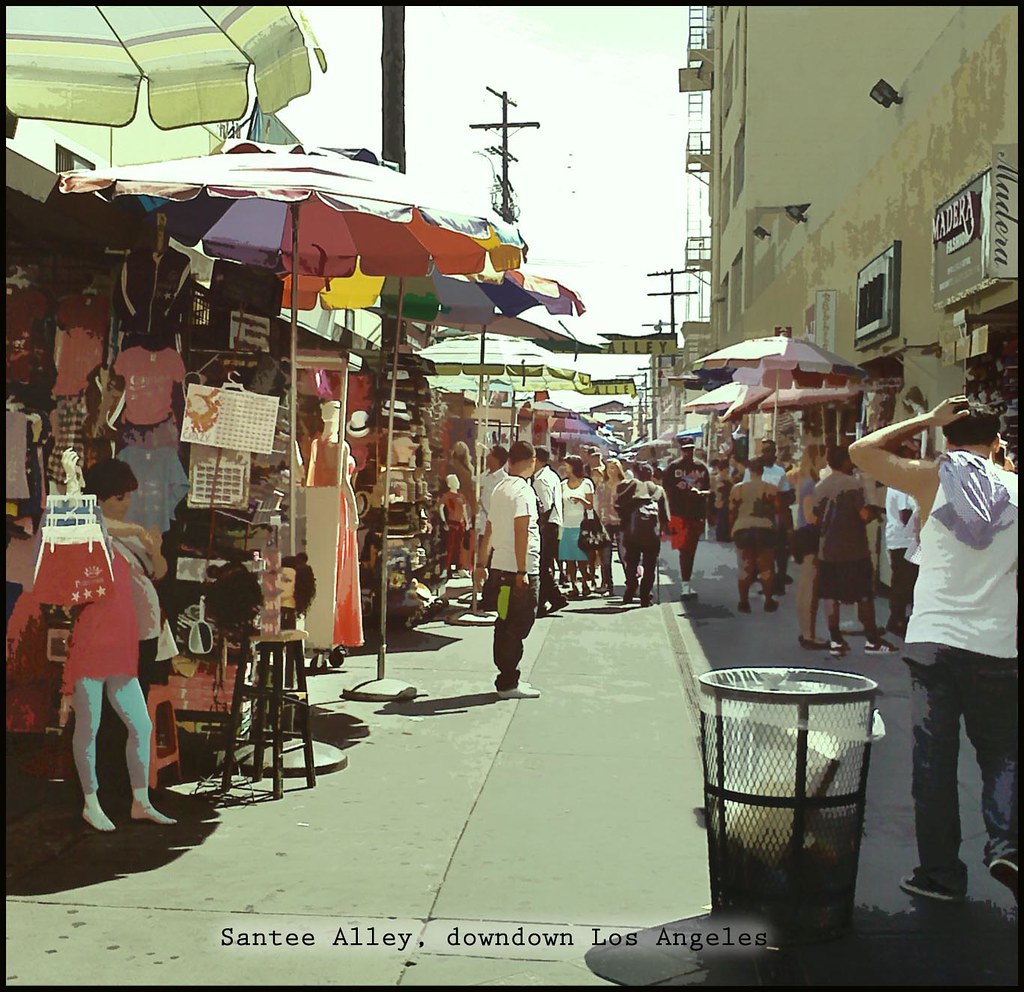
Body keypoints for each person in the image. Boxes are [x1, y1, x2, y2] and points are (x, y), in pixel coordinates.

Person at [849, 397, 1018, 904]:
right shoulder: (1016, 489)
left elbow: (862, 450)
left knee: (934, 762)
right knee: (1002, 754)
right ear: (996, 442)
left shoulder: (931, 479)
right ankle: (1006, 844)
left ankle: (941, 875)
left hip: (933, 645)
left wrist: (928, 418)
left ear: (947, 440)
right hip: (997, 645)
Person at [73, 459, 176, 831]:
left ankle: (134, 794)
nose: (126, 502)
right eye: (119, 496)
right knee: (96, 720)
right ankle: (101, 794)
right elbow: (98, 525)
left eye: (128, 496)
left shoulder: (131, 533)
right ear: (100, 498)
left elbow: (159, 570)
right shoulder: (91, 526)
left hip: (141, 630)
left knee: (135, 719)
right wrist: (138, 532)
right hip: (103, 635)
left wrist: (154, 547)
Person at [810, 446, 896, 656]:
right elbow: (864, 515)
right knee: (864, 595)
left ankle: (836, 641)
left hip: (827, 550)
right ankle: (872, 640)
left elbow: (814, 518)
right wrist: (875, 511)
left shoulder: (820, 486)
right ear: (845, 461)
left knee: (830, 596)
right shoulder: (854, 484)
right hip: (854, 550)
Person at [475, 441, 543, 700]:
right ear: (531, 460)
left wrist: (482, 564)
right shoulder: (523, 491)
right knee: (518, 623)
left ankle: (506, 677)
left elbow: (489, 530)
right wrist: (522, 570)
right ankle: (508, 680)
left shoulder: (500, 488)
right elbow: (521, 529)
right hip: (517, 569)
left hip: (499, 566)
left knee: (504, 622)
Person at [728, 457, 780, 614]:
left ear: (749, 471)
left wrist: (732, 528)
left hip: (743, 529)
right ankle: (769, 600)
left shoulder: (738, 489)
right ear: (762, 470)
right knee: (766, 567)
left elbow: (731, 512)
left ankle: (743, 602)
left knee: (745, 567)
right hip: (765, 529)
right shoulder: (770, 488)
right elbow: (778, 510)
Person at [663, 436, 712, 600]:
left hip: (696, 514)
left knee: (690, 550)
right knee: (683, 550)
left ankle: (686, 583)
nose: (688, 453)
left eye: (690, 449)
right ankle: (685, 584)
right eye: (685, 450)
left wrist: (700, 494)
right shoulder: (673, 468)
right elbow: (666, 490)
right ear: (680, 450)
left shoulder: (702, 468)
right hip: (678, 514)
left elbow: (709, 491)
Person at [616, 461, 670, 607]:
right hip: (652, 535)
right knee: (649, 566)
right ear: (652, 475)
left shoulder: (630, 487)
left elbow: (618, 505)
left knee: (631, 564)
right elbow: (665, 518)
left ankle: (631, 589)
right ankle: (645, 596)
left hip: (631, 533)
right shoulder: (658, 490)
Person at [744, 439, 794, 593]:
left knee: (780, 549)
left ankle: (779, 579)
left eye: (771, 451)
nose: (769, 454)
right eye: (766, 450)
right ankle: (763, 578)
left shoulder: (779, 471)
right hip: (758, 513)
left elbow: (785, 492)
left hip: (776, 513)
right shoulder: (753, 470)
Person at [792, 444, 828, 650]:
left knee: (806, 586)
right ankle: (808, 634)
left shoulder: (805, 481)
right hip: (809, 535)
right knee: (809, 587)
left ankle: (807, 632)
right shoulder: (810, 484)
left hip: (803, 534)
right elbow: (809, 516)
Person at [884, 450, 920, 639]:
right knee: (904, 582)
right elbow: (904, 515)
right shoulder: (902, 487)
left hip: (898, 539)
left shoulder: (895, 483)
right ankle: (896, 619)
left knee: (902, 580)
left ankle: (898, 617)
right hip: (903, 540)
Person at [531, 446, 567, 617]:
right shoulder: (551, 475)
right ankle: (545, 601)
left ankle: (554, 597)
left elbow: (545, 506)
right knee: (545, 565)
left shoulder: (541, 480)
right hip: (553, 524)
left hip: (547, 526)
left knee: (542, 565)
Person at [558, 454, 595, 598]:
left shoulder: (586, 483)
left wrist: (581, 499)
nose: (565, 468)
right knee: (569, 559)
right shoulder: (562, 485)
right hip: (566, 524)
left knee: (582, 558)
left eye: (567, 465)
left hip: (582, 525)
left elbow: (590, 506)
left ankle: (585, 583)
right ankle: (574, 585)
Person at [597, 458, 627, 594]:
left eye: (613, 468)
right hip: (606, 522)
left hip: (621, 522)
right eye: (608, 468)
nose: (610, 471)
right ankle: (608, 584)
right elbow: (597, 504)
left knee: (624, 555)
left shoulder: (624, 485)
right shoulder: (602, 486)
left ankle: (631, 583)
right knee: (605, 556)